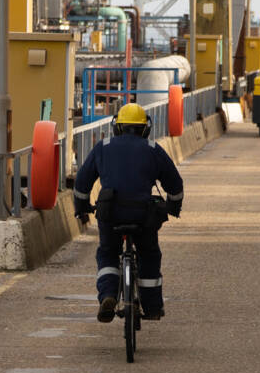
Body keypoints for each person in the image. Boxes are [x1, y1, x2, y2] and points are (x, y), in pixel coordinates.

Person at [72, 103, 185, 322]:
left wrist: (82, 207)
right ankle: (152, 306)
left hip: (110, 212)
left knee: (107, 252)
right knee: (149, 254)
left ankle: (108, 295)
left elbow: (81, 183)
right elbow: (175, 184)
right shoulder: (152, 148)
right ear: (145, 129)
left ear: (118, 127)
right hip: (144, 215)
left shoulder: (103, 147)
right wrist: (173, 207)